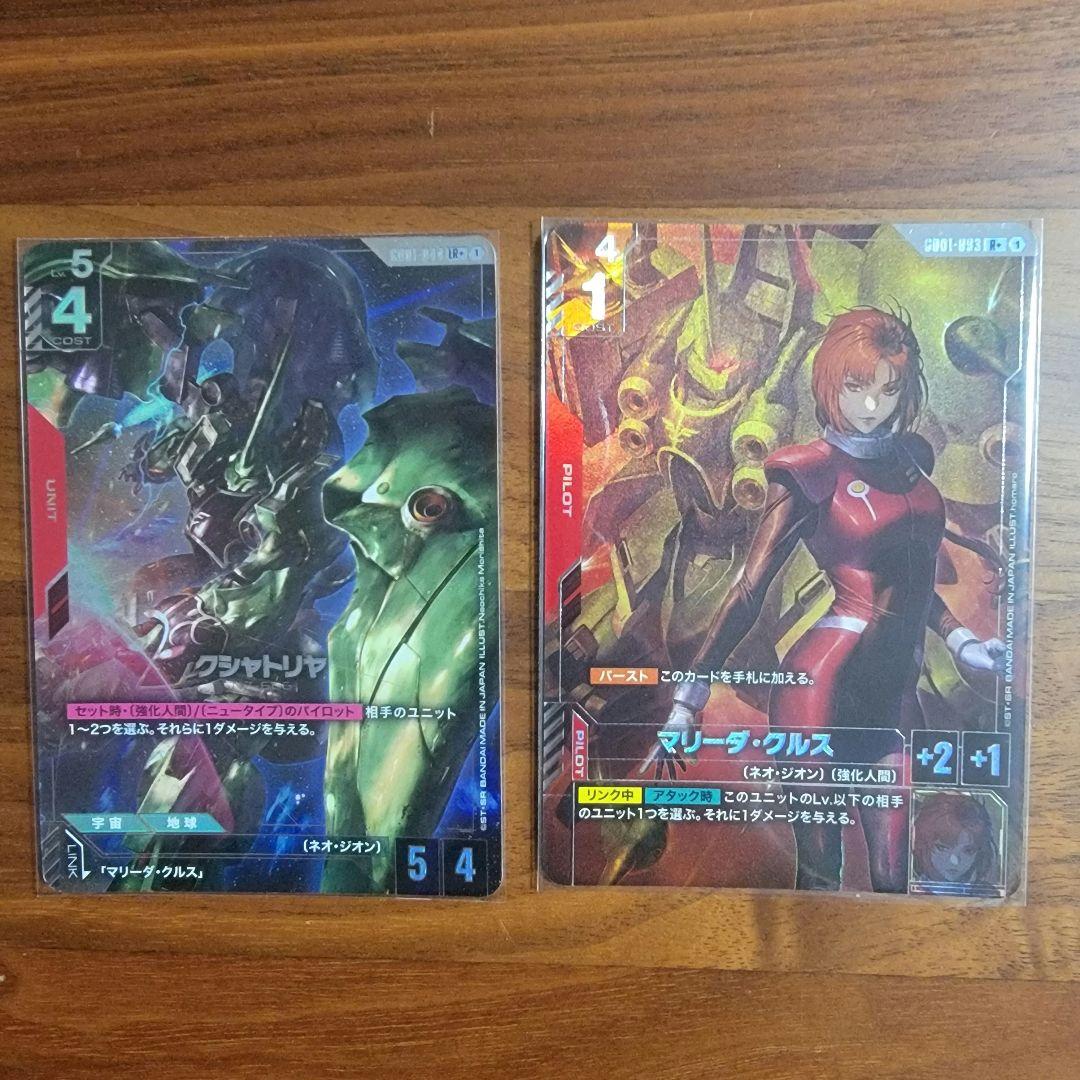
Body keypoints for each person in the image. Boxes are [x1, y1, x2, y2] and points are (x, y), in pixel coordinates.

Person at [664, 307, 1005, 891]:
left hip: (893, 691)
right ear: (829, 382)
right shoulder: (808, 470)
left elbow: (909, 579)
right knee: (820, 869)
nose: (873, 404)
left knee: (893, 876)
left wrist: (960, 639)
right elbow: (750, 587)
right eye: (856, 386)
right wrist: (688, 697)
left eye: (889, 389)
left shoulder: (909, 462)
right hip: (821, 685)